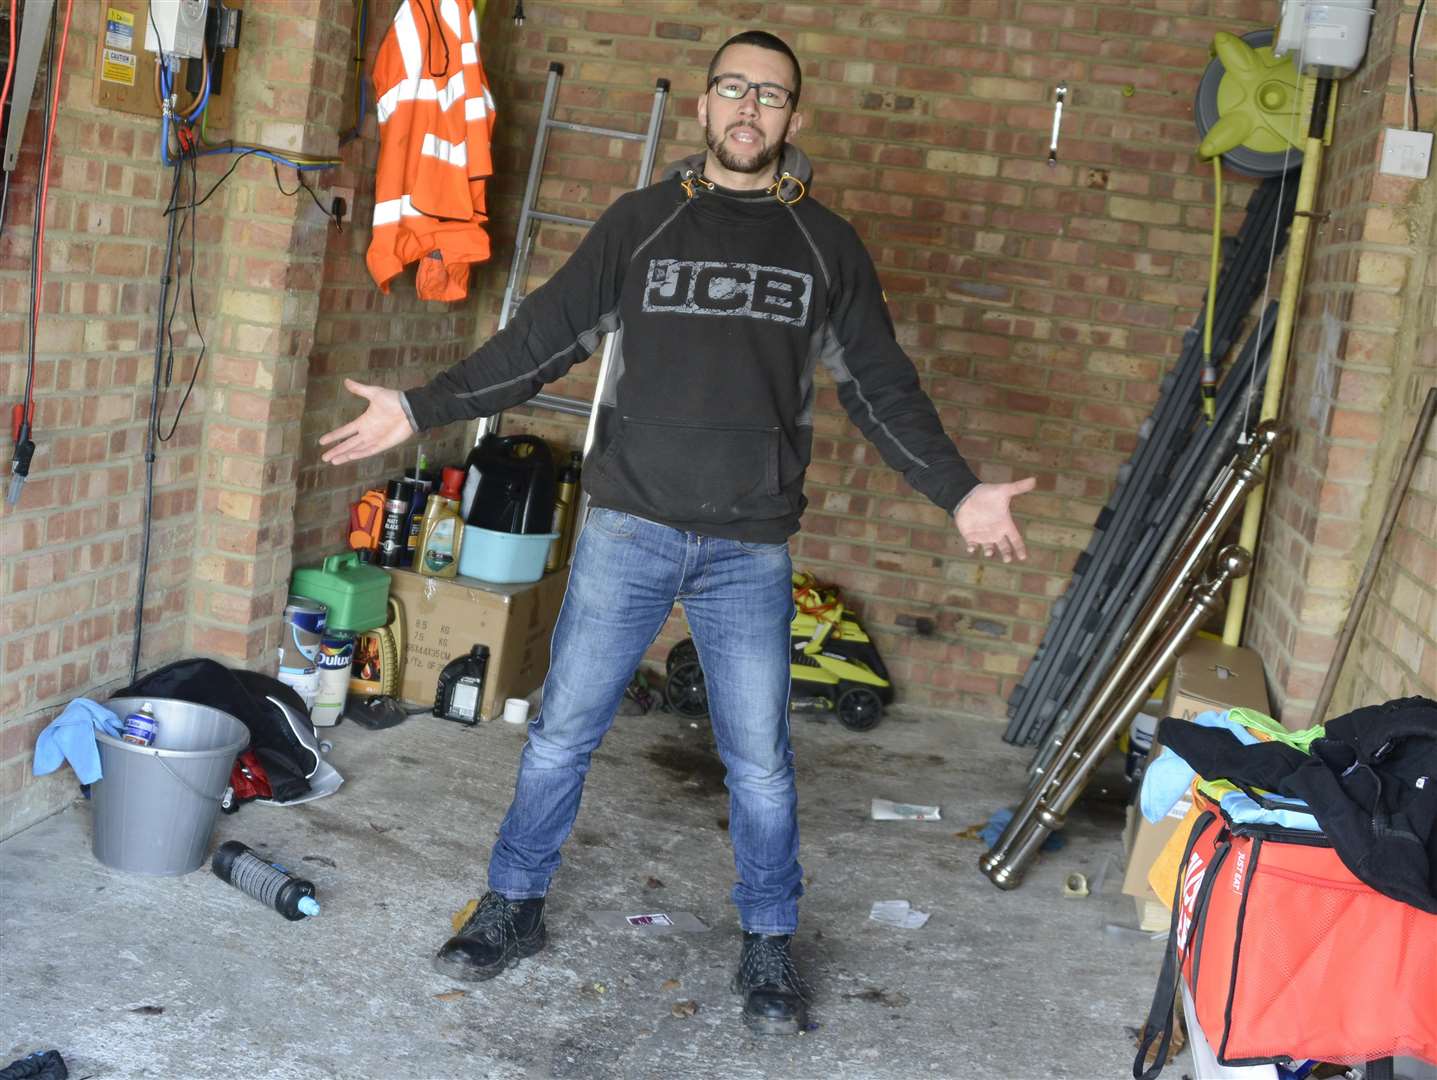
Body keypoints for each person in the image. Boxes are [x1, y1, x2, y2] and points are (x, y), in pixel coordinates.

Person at [320, 29, 1034, 1036]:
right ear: (703, 107)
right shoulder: (641, 223)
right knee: (561, 733)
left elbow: (883, 390)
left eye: (772, 96)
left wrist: (959, 492)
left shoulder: (826, 246)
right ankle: (514, 908)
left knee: (761, 760)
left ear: (794, 119)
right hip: (630, 527)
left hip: (750, 545)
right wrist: (420, 405)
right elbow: (538, 340)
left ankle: (770, 943)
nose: (750, 109)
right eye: (734, 90)